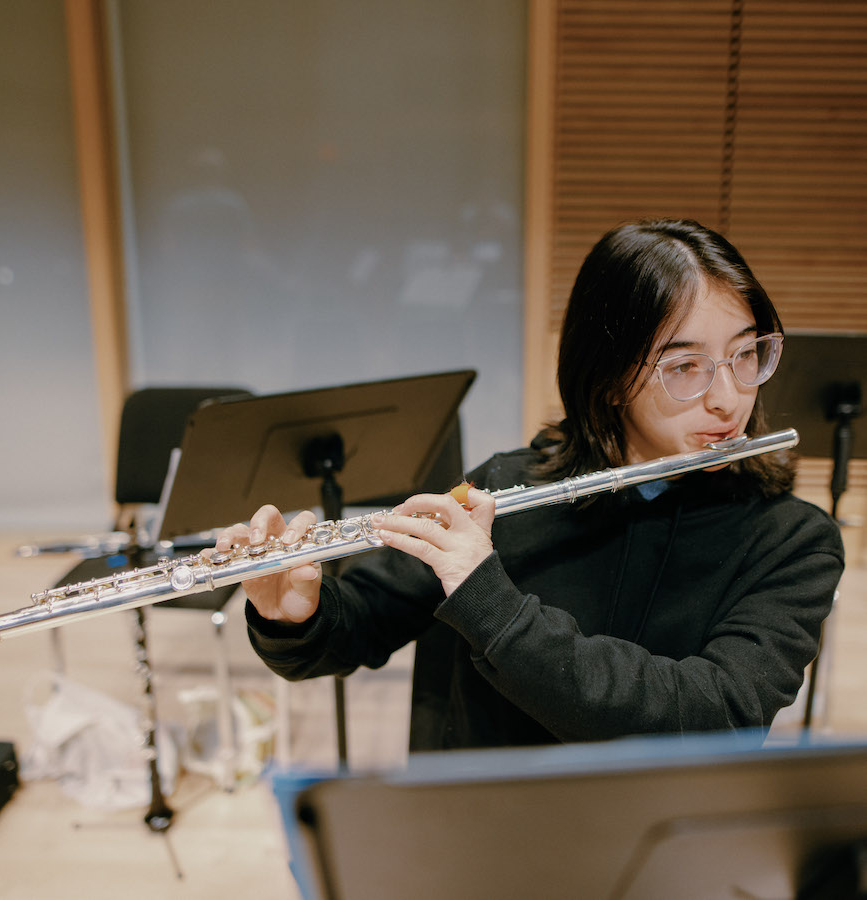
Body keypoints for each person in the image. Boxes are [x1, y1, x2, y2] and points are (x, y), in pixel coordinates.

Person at [215, 217, 844, 751]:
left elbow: (715, 718)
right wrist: (295, 614)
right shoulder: (502, 487)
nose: (728, 397)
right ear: (609, 378)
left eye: (745, 355)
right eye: (686, 367)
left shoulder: (792, 542)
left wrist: (487, 599)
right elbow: (353, 630)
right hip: (476, 835)